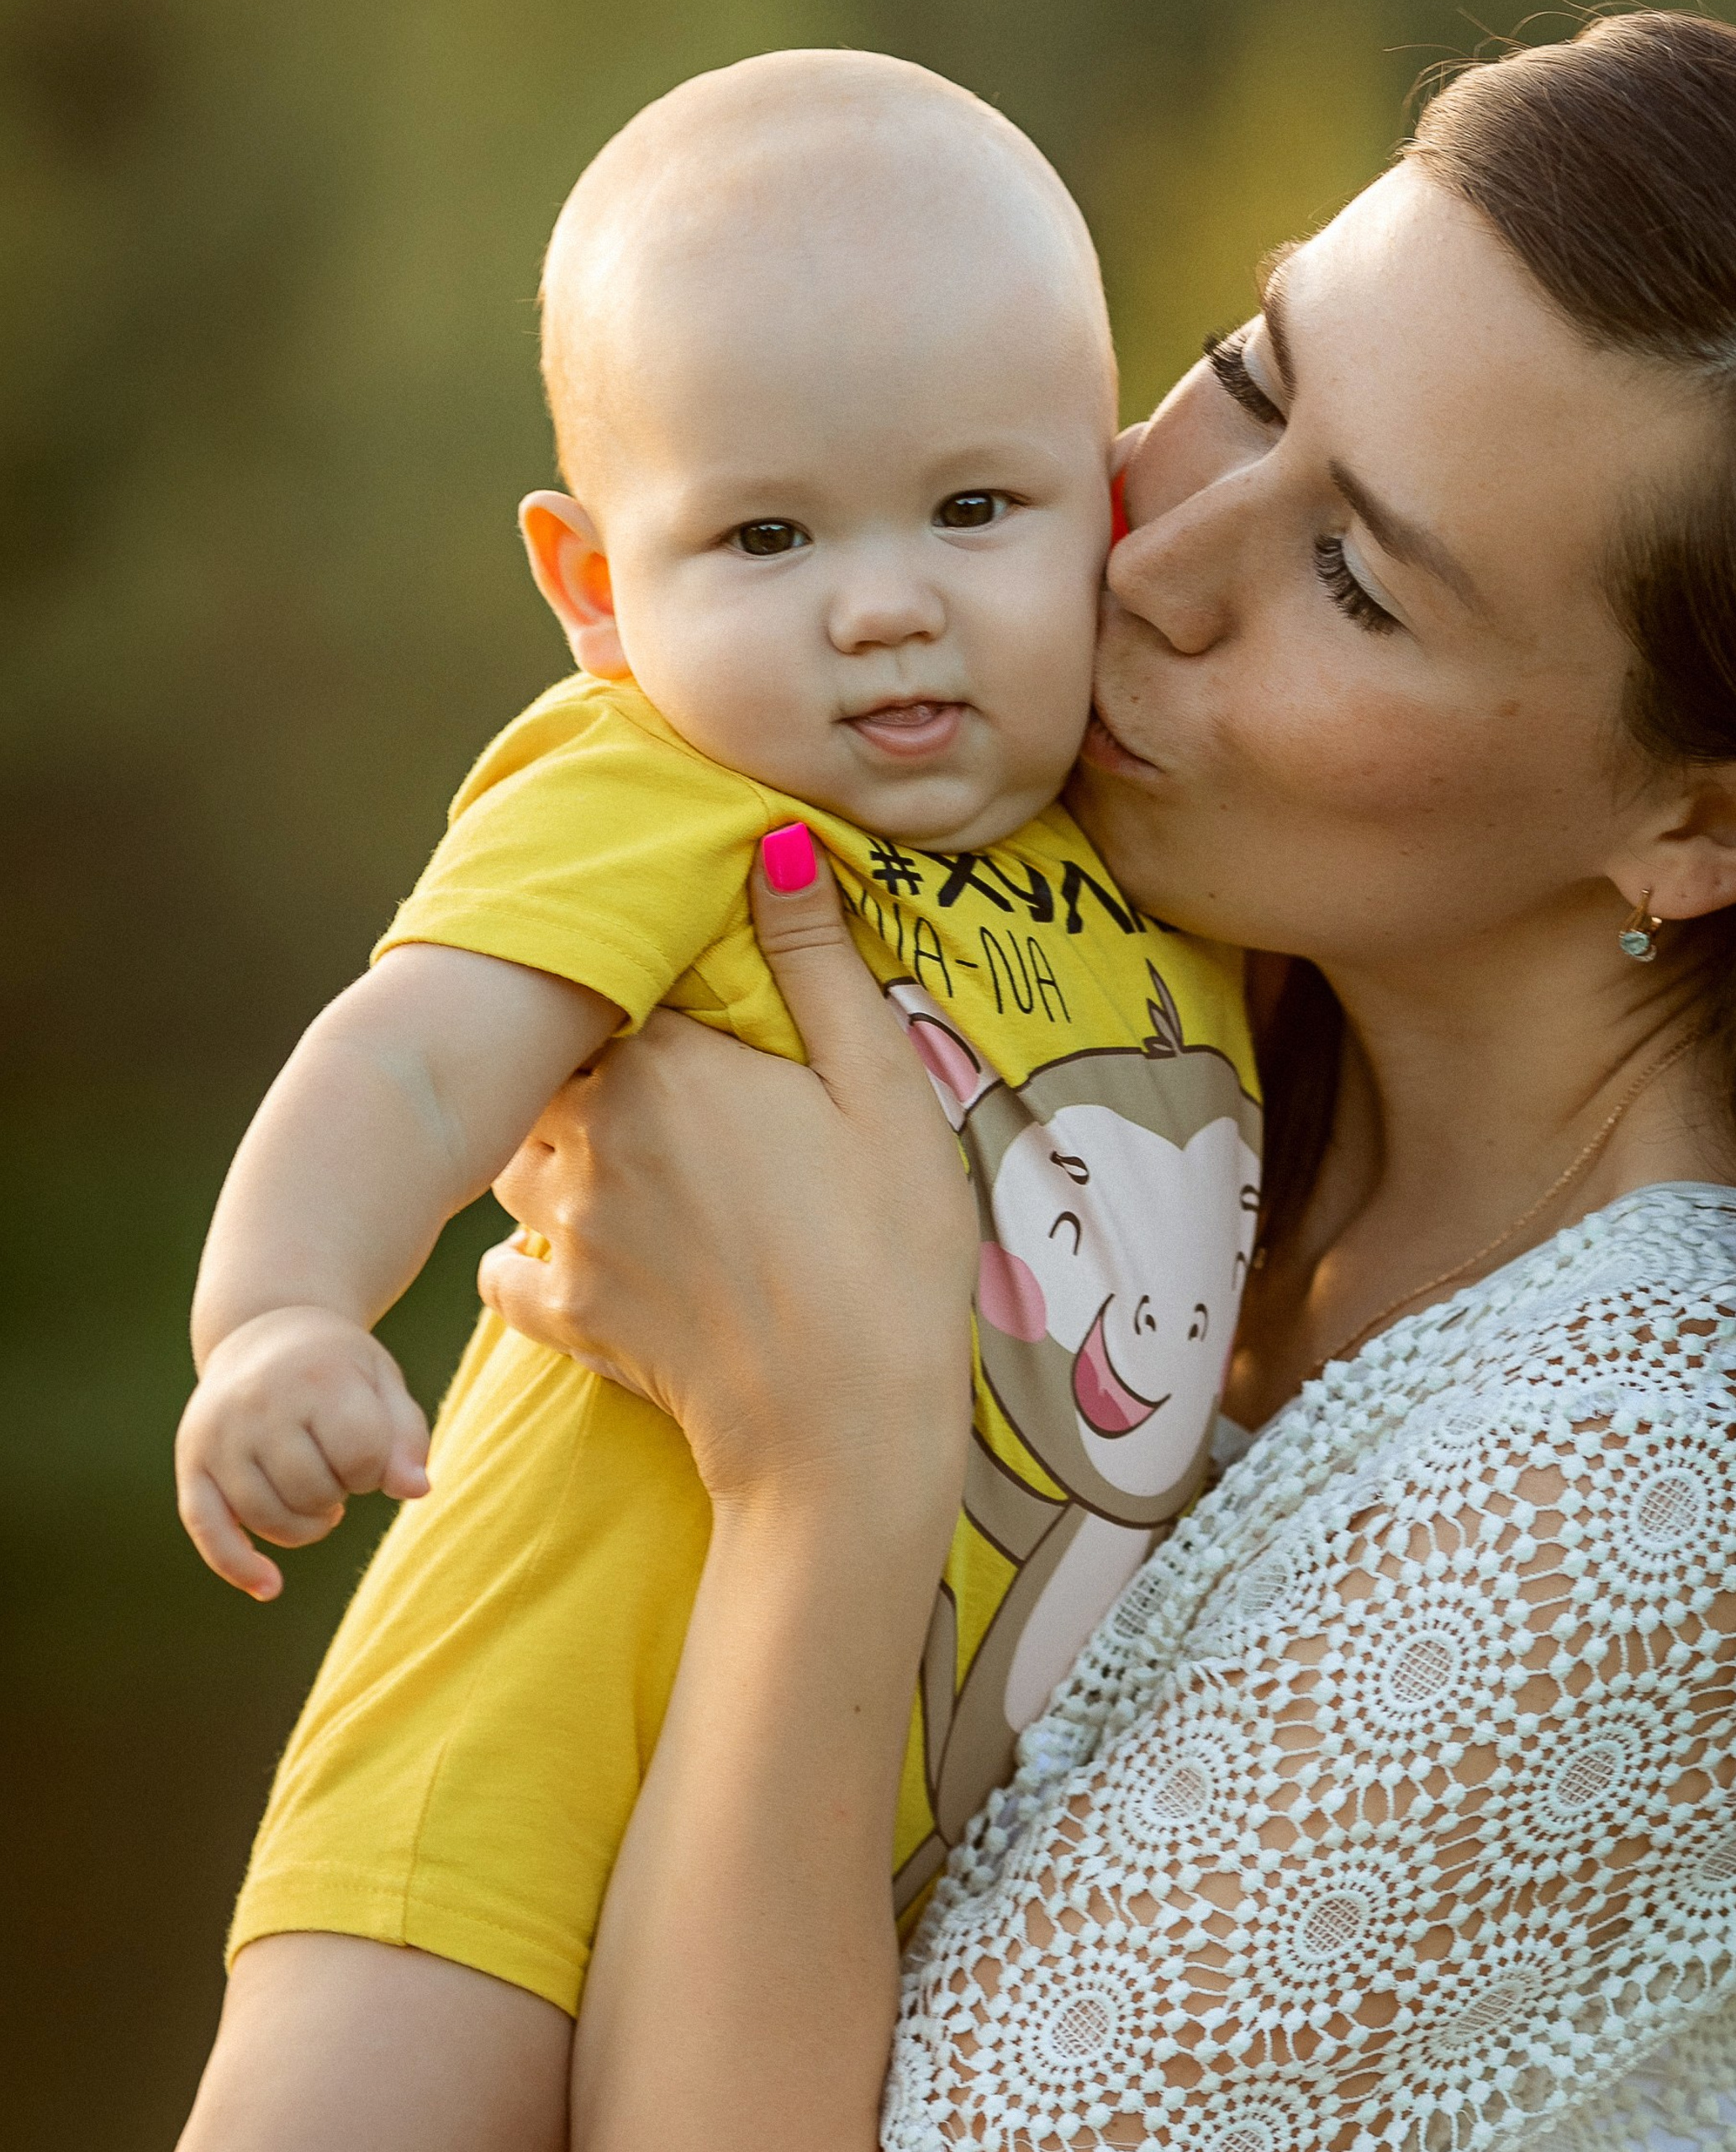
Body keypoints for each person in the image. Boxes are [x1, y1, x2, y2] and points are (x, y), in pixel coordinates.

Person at [183, 13, 1736, 2149]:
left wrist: (830, 1464)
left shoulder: (1653, 1497)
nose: (1142, 558)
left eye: (1351, 578)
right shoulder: (1179, 1034)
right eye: (1250, 374)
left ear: (1714, 817)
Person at [175, 45, 1258, 2044]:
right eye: (766, 540)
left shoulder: (1160, 866)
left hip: (837, 1840)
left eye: (970, 507)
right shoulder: (658, 783)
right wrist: (282, 1316)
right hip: (503, 1794)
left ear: (1097, 507)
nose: (882, 607)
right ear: (594, 585)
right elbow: (411, 1055)